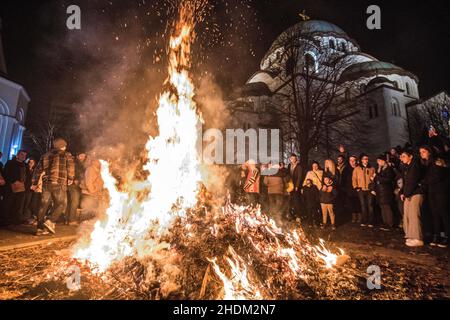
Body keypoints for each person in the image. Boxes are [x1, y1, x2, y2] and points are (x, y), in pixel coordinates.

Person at [32, 138, 75, 235]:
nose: (65, 147)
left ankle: (40, 229)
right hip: (59, 183)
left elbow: (38, 170)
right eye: (65, 145)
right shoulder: (67, 155)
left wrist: (34, 183)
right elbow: (70, 167)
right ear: (62, 146)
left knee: (43, 205)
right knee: (62, 204)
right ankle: (50, 221)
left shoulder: (45, 155)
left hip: (47, 183)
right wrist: (71, 177)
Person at [419, 145, 449, 248]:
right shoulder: (426, 164)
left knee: (443, 213)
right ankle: (437, 235)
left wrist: (424, 181)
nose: (421, 154)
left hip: (441, 191)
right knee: (434, 213)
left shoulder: (437, 161)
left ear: (429, 152)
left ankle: (447, 236)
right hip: (432, 191)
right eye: (420, 152)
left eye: (423, 151)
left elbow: (438, 176)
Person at [399, 149, 425, 247]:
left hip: (415, 193)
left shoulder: (415, 166)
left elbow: (413, 181)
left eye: (404, 156)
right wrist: (402, 192)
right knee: (407, 214)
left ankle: (418, 238)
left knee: (414, 215)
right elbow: (405, 182)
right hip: (408, 194)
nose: (402, 158)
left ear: (410, 157)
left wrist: (406, 193)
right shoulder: (405, 167)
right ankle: (410, 235)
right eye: (401, 156)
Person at [2, 150, 28, 225]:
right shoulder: (10, 163)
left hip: (21, 188)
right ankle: (5, 220)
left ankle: (15, 220)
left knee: (18, 204)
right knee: (8, 203)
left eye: (25, 155)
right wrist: (13, 181)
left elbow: (28, 176)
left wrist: (25, 185)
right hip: (10, 187)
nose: (23, 156)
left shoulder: (25, 165)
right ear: (18, 155)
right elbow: (6, 173)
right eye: (22, 154)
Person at [373, 154, 395, 231]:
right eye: (377, 161)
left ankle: (390, 223)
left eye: (379, 161)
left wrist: (377, 176)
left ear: (383, 161)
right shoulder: (379, 169)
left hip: (386, 191)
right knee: (383, 207)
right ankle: (385, 222)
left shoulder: (388, 169)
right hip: (380, 192)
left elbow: (388, 179)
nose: (378, 163)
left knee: (387, 207)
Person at [352, 154, 375, 227]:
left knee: (370, 205)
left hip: (369, 190)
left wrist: (373, 188)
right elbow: (354, 178)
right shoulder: (357, 168)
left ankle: (371, 221)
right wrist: (356, 187)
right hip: (361, 189)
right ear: (361, 160)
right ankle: (364, 220)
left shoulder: (372, 168)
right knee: (363, 205)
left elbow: (374, 179)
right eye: (365, 159)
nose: (366, 160)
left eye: (367, 159)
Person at [66, 152, 86, 224]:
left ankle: (67, 219)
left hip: (77, 184)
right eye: (81, 156)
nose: (82, 157)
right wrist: (74, 180)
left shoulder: (82, 164)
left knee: (71, 202)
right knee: (75, 201)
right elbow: (71, 172)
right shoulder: (74, 163)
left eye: (84, 156)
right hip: (73, 184)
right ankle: (71, 220)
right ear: (77, 156)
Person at [22, 157, 39, 224]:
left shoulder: (35, 170)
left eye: (32, 162)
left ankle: (27, 217)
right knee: (24, 202)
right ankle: (23, 217)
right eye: (29, 162)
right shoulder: (25, 169)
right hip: (25, 188)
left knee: (29, 203)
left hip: (32, 190)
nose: (31, 163)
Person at [287, 153, 302, 219]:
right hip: (290, 186)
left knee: (296, 201)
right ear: (290, 159)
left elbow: (300, 177)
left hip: (296, 186)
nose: (292, 159)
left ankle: (298, 216)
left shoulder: (299, 166)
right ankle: (290, 215)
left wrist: (297, 186)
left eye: (294, 158)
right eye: (291, 158)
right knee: (289, 201)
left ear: (296, 159)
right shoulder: (289, 165)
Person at [347, 155, 361, 223]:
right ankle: (354, 217)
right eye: (350, 160)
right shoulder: (346, 170)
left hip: (358, 189)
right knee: (352, 204)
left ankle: (359, 217)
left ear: (356, 161)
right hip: (350, 190)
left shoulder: (359, 168)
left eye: (353, 160)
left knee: (358, 203)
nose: (352, 162)